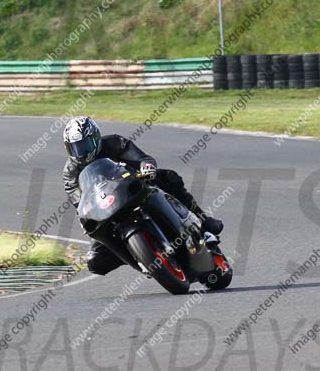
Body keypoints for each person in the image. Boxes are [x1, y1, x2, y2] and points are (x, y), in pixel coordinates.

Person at [62, 116, 223, 276]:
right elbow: (79, 202)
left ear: (95, 137)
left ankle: (203, 219)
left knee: (169, 177)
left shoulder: (115, 143)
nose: (80, 152)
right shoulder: (70, 173)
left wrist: (146, 166)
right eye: (75, 148)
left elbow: (141, 158)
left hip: (134, 186)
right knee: (95, 263)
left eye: (84, 145)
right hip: (105, 209)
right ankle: (138, 254)